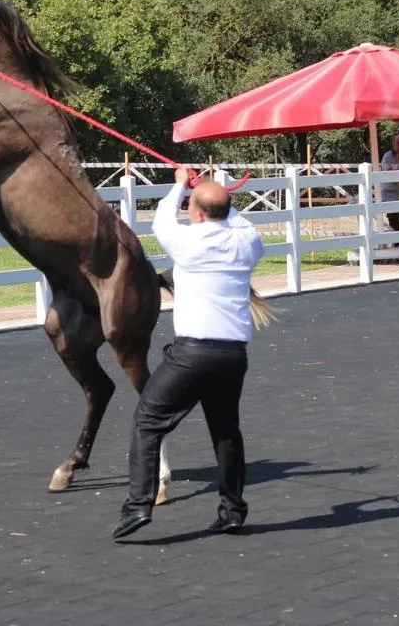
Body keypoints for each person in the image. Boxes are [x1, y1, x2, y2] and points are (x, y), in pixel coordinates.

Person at [112, 168, 266, 539]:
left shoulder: (185, 242)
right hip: (233, 356)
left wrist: (181, 181)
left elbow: (162, 216)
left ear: (195, 213)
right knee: (226, 430)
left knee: (148, 421)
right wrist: (210, 190)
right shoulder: (248, 243)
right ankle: (232, 510)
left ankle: (138, 506)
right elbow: (236, 218)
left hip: (193, 354)